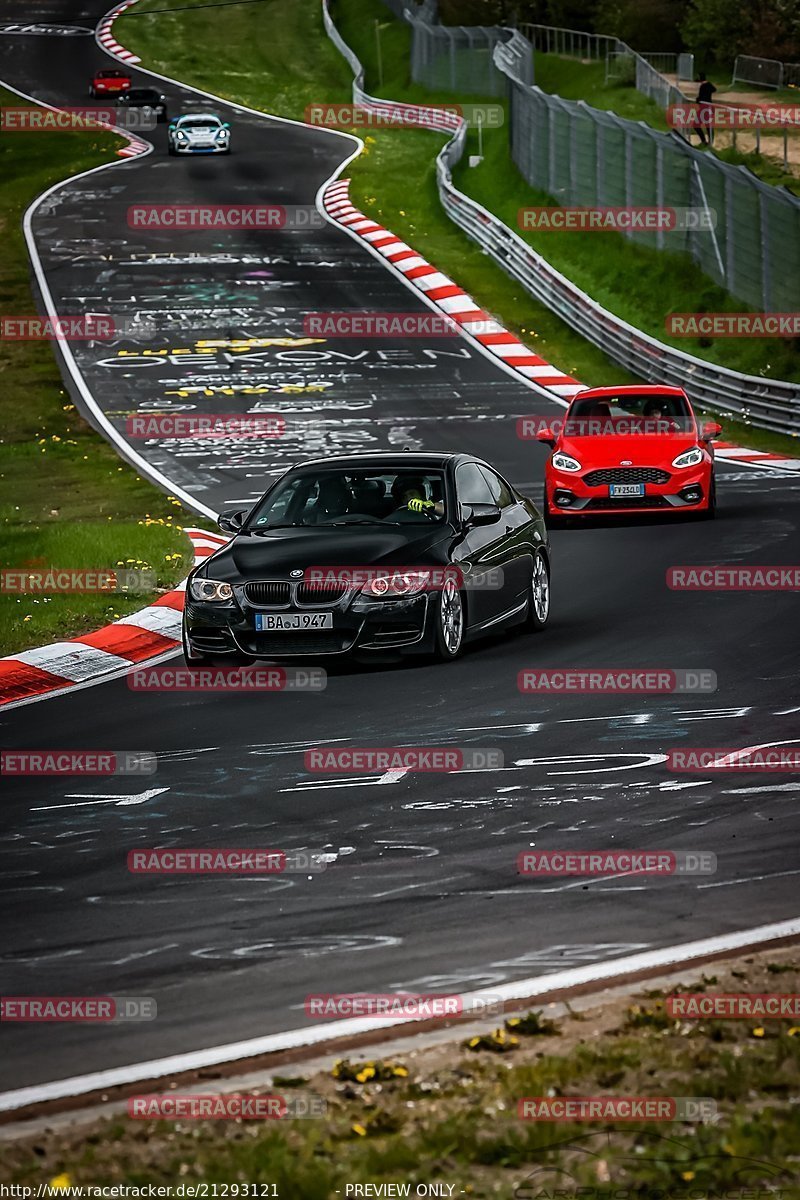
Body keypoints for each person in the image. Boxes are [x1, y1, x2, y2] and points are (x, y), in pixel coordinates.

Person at [694, 74, 716, 145]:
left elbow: (700, 98)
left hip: (705, 108)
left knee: (696, 124)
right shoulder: (708, 85)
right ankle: (709, 141)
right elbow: (714, 89)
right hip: (709, 108)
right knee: (707, 125)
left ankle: (705, 141)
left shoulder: (703, 86)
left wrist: (697, 100)